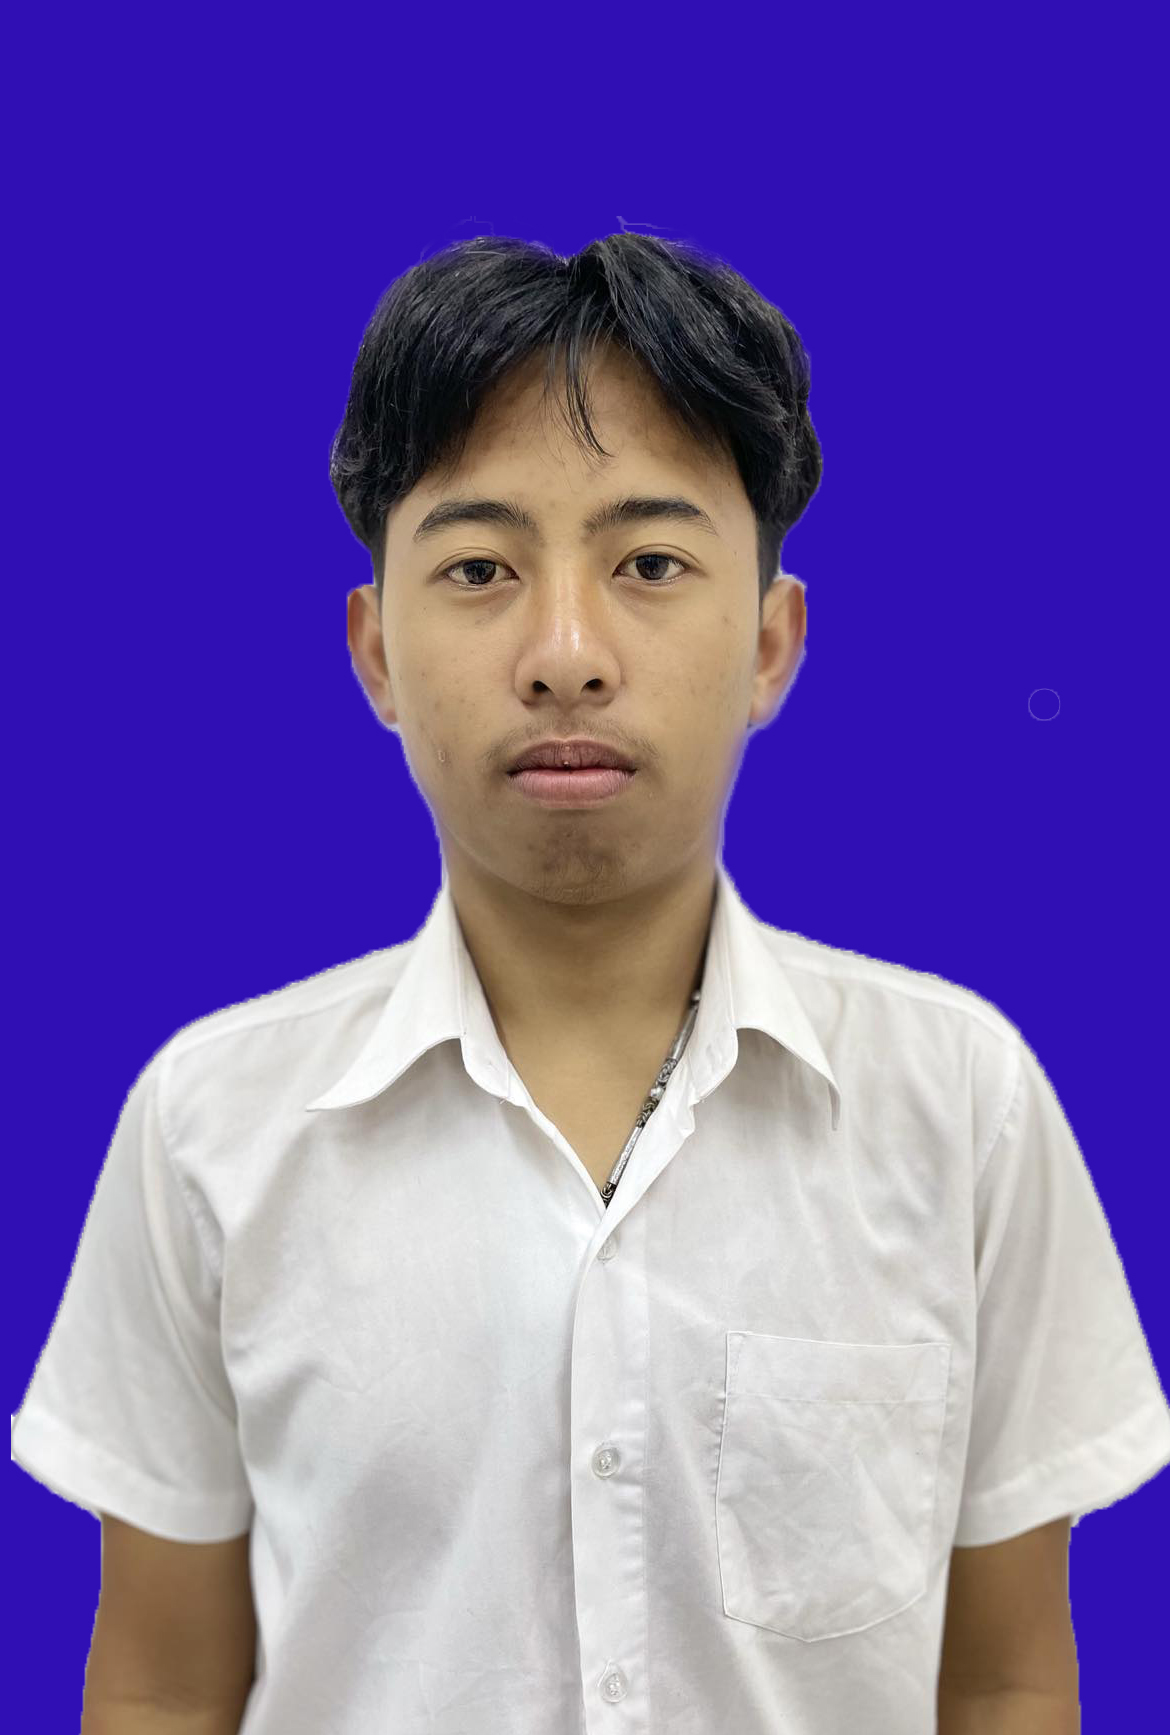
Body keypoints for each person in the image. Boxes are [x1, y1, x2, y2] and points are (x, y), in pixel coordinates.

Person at [13, 233, 1170, 1734]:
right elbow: (167, 1688)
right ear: (376, 652)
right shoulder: (210, 1126)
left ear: (771, 644)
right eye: (479, 570)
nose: (565, 655)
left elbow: (1005, 1679)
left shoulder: (958, 1105)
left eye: (649, 565)